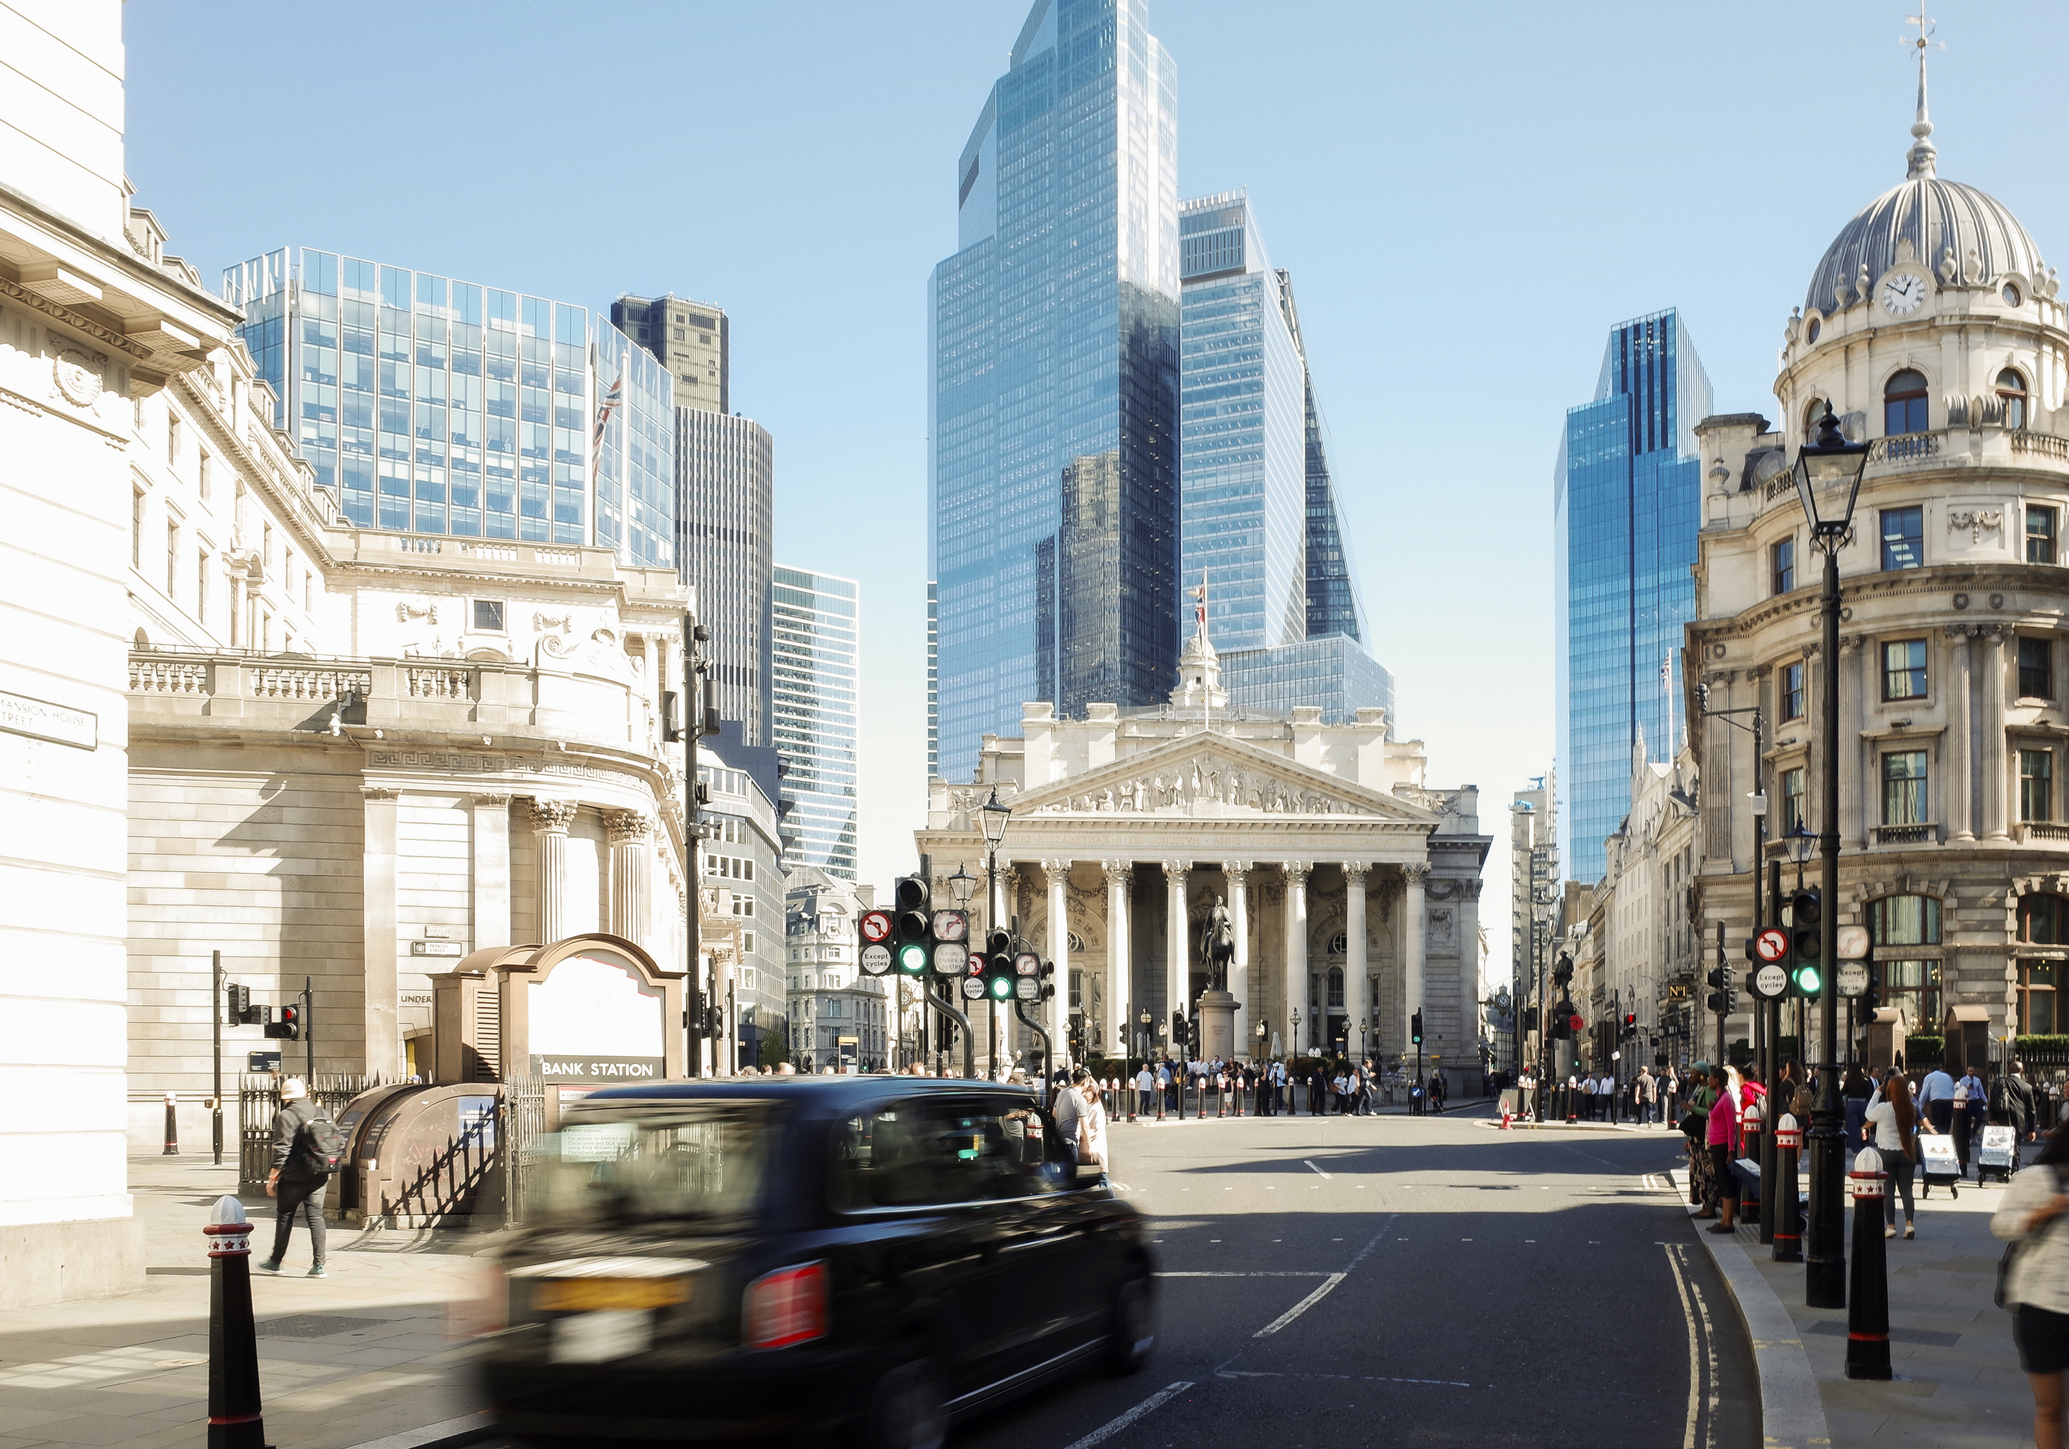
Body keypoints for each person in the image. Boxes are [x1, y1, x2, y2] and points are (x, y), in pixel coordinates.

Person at [1993, 1119, 2069, 1449]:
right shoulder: (2036, 1179)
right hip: (2041, 1308)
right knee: (2051, 1406)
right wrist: (2041, 1213)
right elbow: (2001, 1225)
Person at [260, 1077, 330, 1278]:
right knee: (316, 1216)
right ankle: (319, 1266)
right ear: (306, 1094)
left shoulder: (287, 1115)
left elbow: (282, 1148)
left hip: (294, 1177)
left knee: (285, 1215)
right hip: (319, 1174)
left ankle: (275, 1261)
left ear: (284, 1097)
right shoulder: (321, 1111)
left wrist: (272, 1178)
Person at [1867, 1070, 1921, 1239]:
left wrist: (1877, 1092)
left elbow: (1868, 1113)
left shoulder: (1884, 1108)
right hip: (1906, 1152)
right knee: (1906, 1190)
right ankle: (1909, 1224)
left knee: (1888, 1191)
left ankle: (1891, 1226)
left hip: (1886, 1153)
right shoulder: (1911, 1108)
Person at [1704, 1065, 1743, 1233]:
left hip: (1723, 1146)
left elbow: (1731, 1126)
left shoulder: (1726, 1099)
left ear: (1717, 1080)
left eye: (1711, 1078)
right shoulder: (1719, 1098)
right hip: (1716, 1145)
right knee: (1721, 1182)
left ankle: (1728, 1222)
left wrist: (1731, 1151)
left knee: (1727, 1183)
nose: (1709, 1081)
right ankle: (1723, 1220)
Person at [1076, 1076, 1110, 1184]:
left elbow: (1096, 1129)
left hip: (1094, 1149)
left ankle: (1110, 1198)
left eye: (1087, 1091)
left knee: (1102, 1177)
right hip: (1085, 1149)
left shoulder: (1097, 1108)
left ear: (1093, 1094)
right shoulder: (1085, 1106)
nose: (1084, 1093)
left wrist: (1083, 1134)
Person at [1919, 1061, 1958, 1137]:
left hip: (1937, 1102)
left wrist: (1919, 1107)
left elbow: (1924, 1093)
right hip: (1949, 1101)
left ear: (1930, 1071)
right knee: (1946, 1122)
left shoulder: (1929, 1077)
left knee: (1938, 1123)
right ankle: (1946, 1136)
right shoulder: (1948, 1076)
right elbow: (1954, 1090)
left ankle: (1940, 1138)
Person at [1843, 1067, 1874, 1153]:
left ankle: (1855, 1149)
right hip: (1862, 1104)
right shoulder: (1865, 1082)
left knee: (1853, 1128)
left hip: (1851, 1104)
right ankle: (1862, 1146)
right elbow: (1869, 1095)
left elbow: (1842, 1092)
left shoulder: (1849, 1081)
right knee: (1863, 1126)